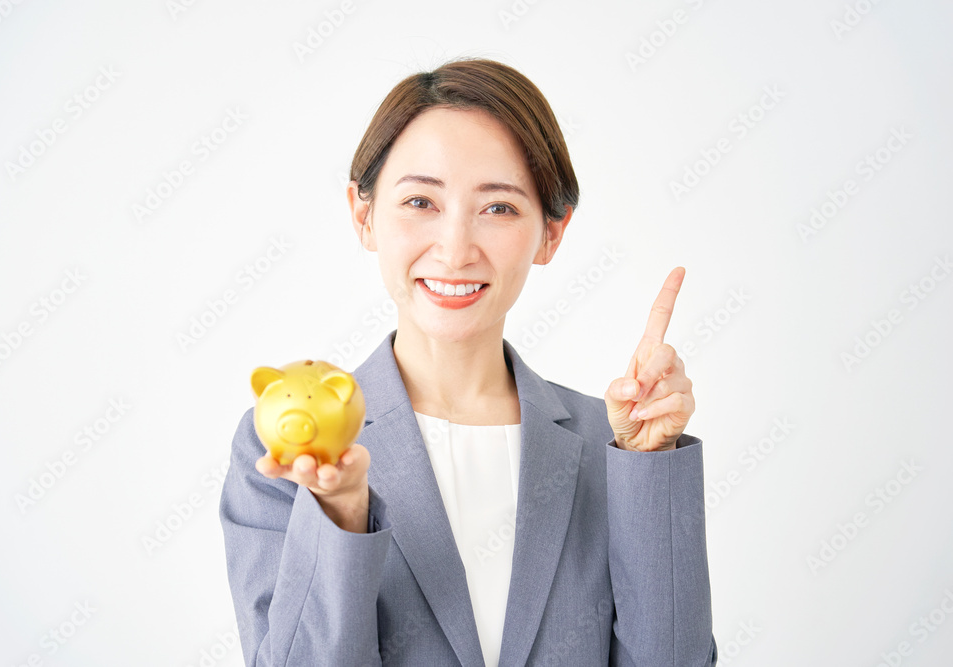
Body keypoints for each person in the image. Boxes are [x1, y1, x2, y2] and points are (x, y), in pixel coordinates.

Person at [219, 56, 718, 666]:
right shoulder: (289, 447)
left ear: (552, 233)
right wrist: (341, 513)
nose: (455, 250)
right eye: (420, 201)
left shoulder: (614, 446)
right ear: (363, 214)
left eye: (499, 207)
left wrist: (649, 469)